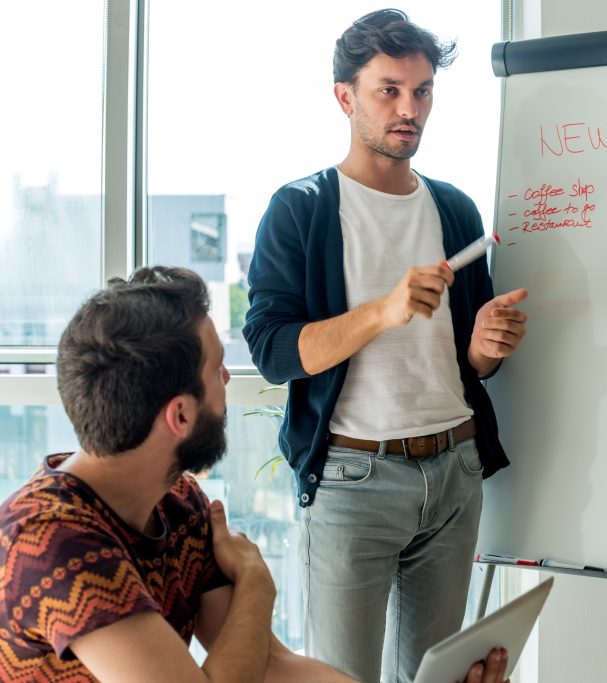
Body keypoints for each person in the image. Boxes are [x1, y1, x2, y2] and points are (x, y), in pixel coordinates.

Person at [0, 266, 509, 683]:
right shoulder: (53, 543)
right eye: (218, 369)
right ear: (179, 415)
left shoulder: (177, 501)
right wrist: (256, 585)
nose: (227, 382)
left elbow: (272, 666)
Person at [242, 8, 528, 683]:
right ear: (345, 96)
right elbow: (273, 351)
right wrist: (384, 310)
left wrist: (489, 344)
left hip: (453, 472)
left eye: (423, 90)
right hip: (351, 484)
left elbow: (470, 365)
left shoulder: (455, 209)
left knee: (437, 678)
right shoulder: (302, 209)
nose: (410, 108)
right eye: (389, 90)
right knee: (341, 677)